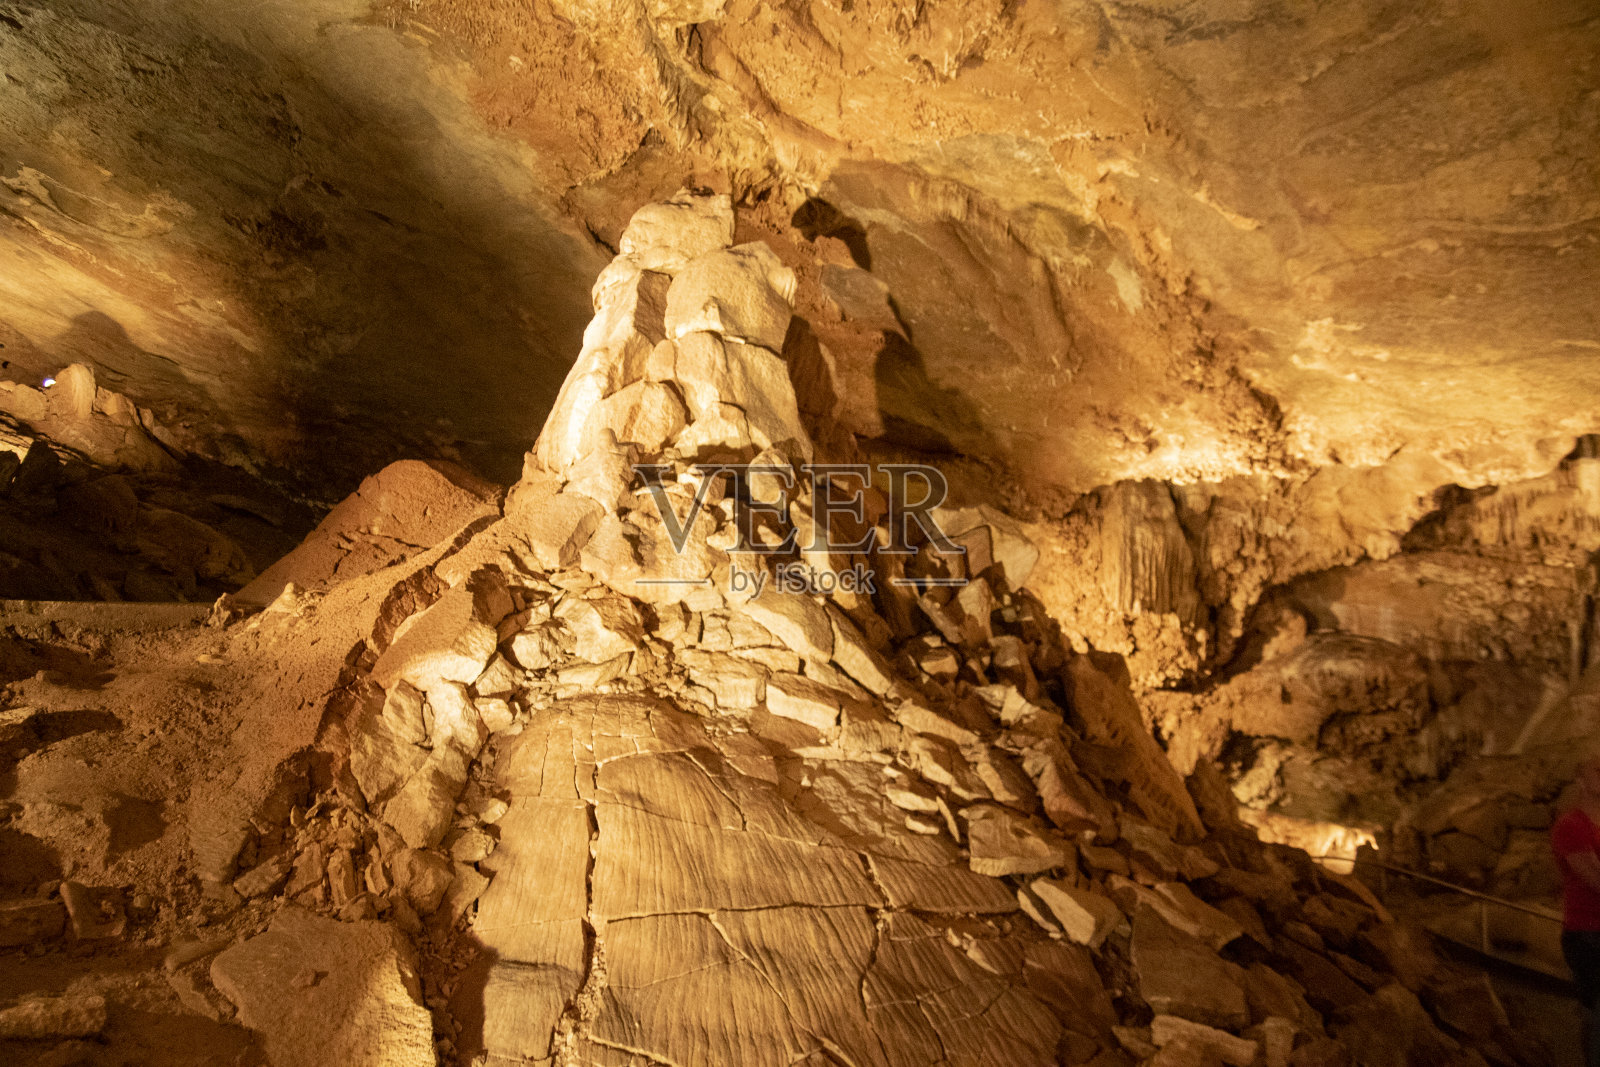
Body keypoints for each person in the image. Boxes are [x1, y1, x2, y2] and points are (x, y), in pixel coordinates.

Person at [1553, 757, 1600, 1067]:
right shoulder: (1570, 825)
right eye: (1598, 770)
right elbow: (1596, 878)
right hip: (1588, 934)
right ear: (1581, 780)